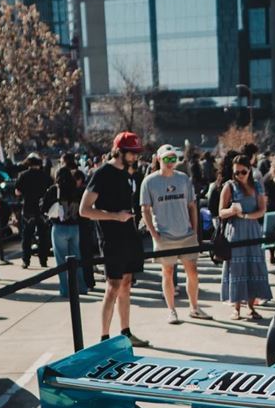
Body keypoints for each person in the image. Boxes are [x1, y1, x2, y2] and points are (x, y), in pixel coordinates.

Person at [80, 131, 149, 345]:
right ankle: (104, 338)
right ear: (119, 151)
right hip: (111, 238)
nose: (135, 157)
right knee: (113, 286)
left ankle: (126, 333)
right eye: (132, 153)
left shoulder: (127, 173)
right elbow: (84, 210)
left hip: (129, 236)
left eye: (137, 153)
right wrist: (114, 216)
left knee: (126, 284)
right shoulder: (102, 173)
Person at [140, 143, 211, 324]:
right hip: (164, 235)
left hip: (186, 233)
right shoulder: (149, 182)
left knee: (192, 272)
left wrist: (194, 230)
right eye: (167, 158)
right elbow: (145, 210)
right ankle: (171, 310)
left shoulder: (183, 178)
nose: (171, 162)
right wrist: (154, 234)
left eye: (173, 158)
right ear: (159, 159)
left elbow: (192, 205)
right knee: (167, 272)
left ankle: (194, 307)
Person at [218, 154, 271, 319]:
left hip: (253, 230)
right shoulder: (230, 186)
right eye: (236, 172)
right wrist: (232, 211)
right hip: (236, 232)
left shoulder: (257, 186)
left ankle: (251, 306)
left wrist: (247, 216)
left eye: (243, 172)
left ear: (249, 170)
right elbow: (220, 212)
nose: (240, 175)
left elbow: (262, 209)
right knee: (237, 269)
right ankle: (236, 308)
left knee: (253, 267)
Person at [43, 160, 88, 300]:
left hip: (59, 227)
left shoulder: (54, 189)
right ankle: (82, 287)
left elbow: (44, 207)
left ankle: (65, 289)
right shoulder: (77, 190)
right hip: (75, 226)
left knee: (61, 261)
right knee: (77, 258)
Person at [15, 153, 51, 269]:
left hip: (28, 208)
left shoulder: (23, 175)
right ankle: (43, 260)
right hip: (42, 209)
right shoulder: (45, 176)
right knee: (43, 236)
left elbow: (18, 192)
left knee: (27, 236)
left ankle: (26, 260)